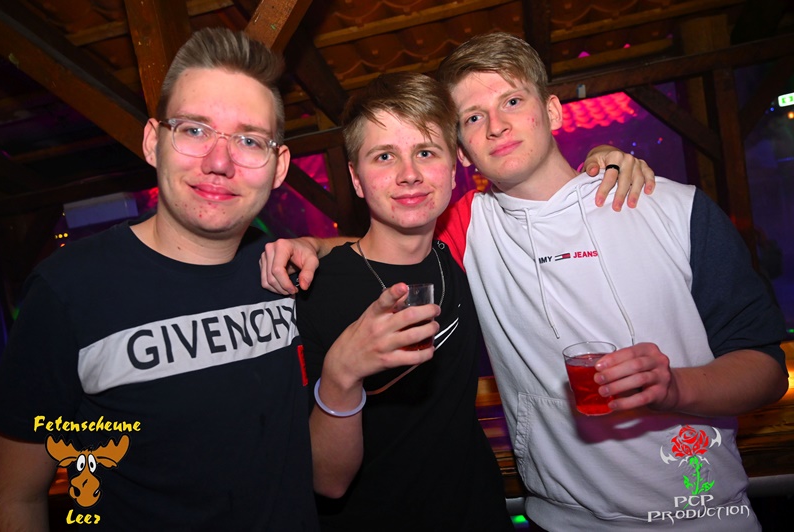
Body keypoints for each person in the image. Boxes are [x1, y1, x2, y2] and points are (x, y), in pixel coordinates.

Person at [263, 32, 789, 531]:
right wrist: (311, 245)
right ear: (463, 151)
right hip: (558, 520)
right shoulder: (471, 227)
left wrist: (676, 387)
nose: (496, 126)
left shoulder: (674, 208)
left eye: (512, 101)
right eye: (473, 117)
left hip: (702, 512)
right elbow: (392, 237)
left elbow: (765, 368)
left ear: (553, 110)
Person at [0, 28, 318, 531]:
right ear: (153, 142)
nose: (218, 162)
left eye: (249, 140)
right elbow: (16, 498)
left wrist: (315, 244)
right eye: (194, 130)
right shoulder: (69, 291)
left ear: (278, 167)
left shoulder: (286, 272)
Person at [297, 71, 513, 530]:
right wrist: (341, 374)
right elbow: (327, 482)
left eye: (426, 152)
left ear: (453, 168)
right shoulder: (313, 290)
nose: (409, 174)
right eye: (384, 156)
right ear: (356, 179)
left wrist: (606, 159)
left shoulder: (463, 254)